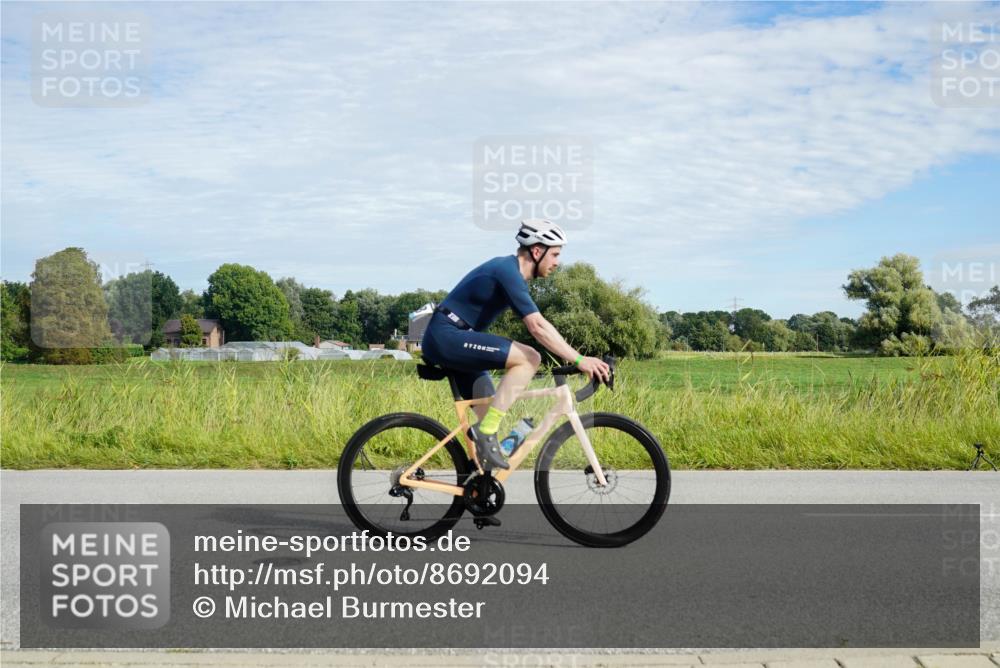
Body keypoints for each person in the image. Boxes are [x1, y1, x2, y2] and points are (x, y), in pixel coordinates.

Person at [420, 219, 612, 470]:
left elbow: (541, 324)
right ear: (536, 251)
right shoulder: (507, 271)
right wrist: (579, 359)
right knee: (530, 358)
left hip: (456, 339)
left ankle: (478, 482)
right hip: (446, 337)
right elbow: (537, 326)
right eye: (554, 254)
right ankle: (486, 434)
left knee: (493, 414)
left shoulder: (511, 275)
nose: (557, 262)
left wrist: (576, 358)